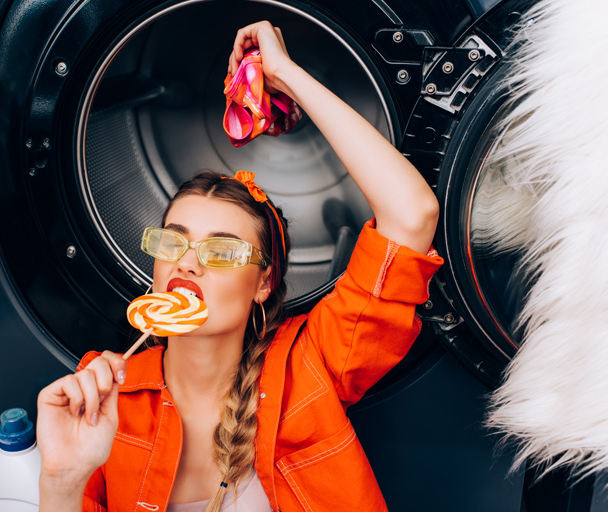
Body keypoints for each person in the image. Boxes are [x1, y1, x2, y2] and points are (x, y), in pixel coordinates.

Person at [37, 21, 442, 512]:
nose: (188, 263)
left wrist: (287, 76)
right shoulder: (104, 396)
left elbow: (412, 213)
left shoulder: (309, 368)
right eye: (174, 241)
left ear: (263, 283)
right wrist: (61, 480)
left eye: (223, 251)